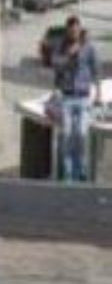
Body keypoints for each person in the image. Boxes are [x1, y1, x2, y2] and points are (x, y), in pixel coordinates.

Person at [51, 15, 99, 183]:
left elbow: (96, 70)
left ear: (80, 30)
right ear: (67, 31)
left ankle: (81, 170)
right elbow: (55, 65)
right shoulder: (61, 47)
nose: (74, 34)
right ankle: (69, 172)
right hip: (67, 97)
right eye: (71, 31)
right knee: (67, 135)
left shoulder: (89, 47)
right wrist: (69, 55)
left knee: (81, 134)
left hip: (83, 97)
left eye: (76, 31)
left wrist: (98, 93)